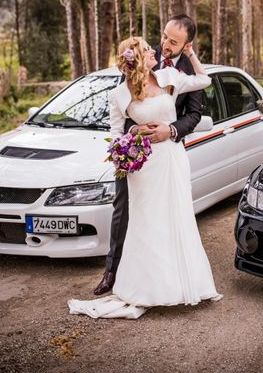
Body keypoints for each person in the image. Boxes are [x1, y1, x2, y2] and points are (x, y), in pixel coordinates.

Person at [68, 36, 221, 319]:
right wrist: (131, 135)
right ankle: (146, 286)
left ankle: (181, 284)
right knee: (146, 223)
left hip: (171, 159)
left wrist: (191, 54)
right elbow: (115, 134)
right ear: (138, 58)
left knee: (177, 218)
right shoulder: (119, 95)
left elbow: (204, 81)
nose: (155, 50)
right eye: (148, 49)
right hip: (143, 166)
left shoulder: (169, 77)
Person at [93, 14, 204, 296]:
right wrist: (134, 133)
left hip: (168, 154)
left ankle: (166, 279)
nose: (165, 44)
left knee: (165, 216)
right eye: (165, 36)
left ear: (186, 44)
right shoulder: (140, 56)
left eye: (173, 41)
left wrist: (172, 130)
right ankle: (112, 272)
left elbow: (194, 115)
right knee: (124, 210)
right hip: (137, 155)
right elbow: (125, 109)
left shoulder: (179, 73)